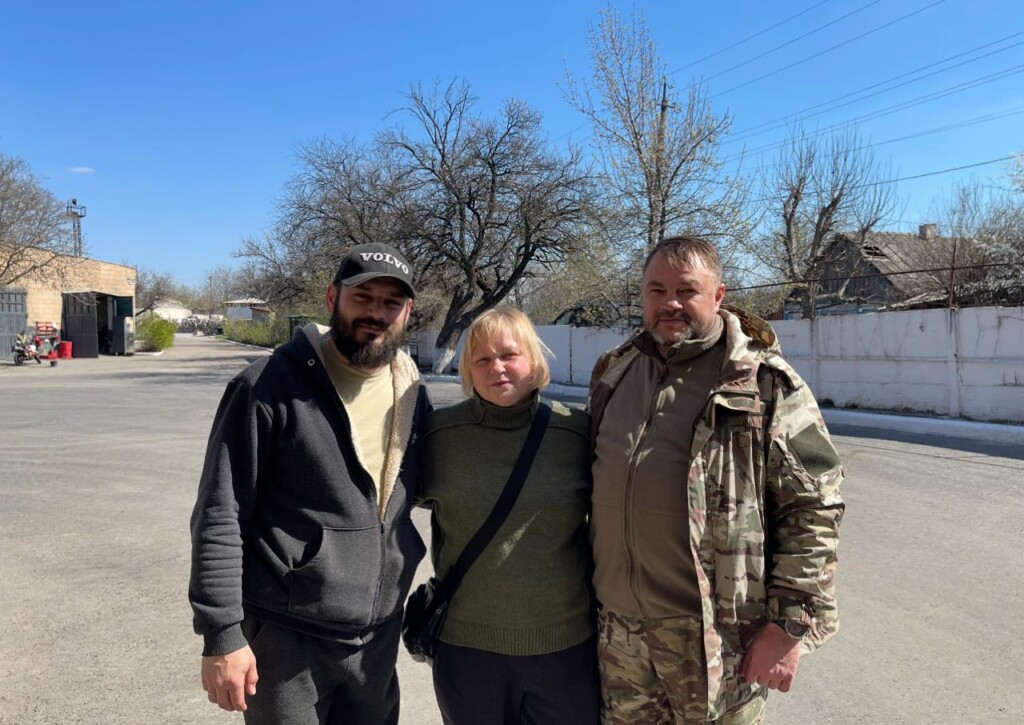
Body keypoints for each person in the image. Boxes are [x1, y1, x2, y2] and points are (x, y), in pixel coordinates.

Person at [588, 236, 845, 724]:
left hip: (716, 641)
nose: (670, 304)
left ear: (718, 295)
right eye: (657, 290)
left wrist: (787, 628)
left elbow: (814, 508)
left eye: (687, 290)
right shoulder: (614, 372)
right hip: (620, 638)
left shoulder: (762, 383)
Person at [189, 242, 431, 724]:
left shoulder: (411, 394)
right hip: (287, 640)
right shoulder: (267, 386)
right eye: (363, 297)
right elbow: (220, 513)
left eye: (391, 302)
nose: (376, 313)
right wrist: (222, 634)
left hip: (377, 639)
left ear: (407, 312)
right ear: (332, 298)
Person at [418, 308, 600, 725]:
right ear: (468, 369)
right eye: (482, 359)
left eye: (509, 355)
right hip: (467, 650)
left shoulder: (576, 431)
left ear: (533, 360)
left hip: (564, 650)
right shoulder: (439, 435)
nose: (496, 368)